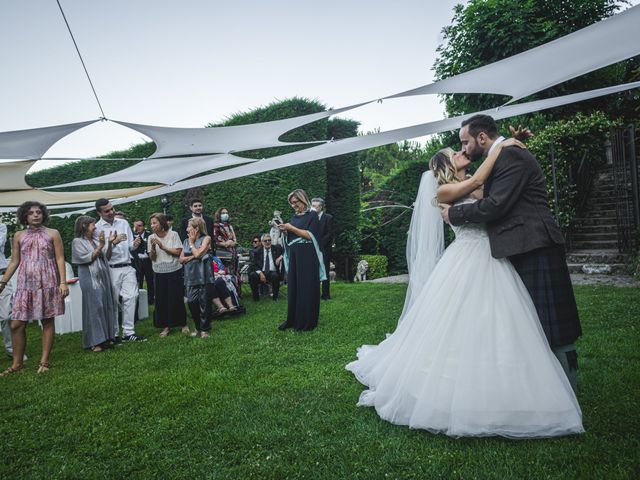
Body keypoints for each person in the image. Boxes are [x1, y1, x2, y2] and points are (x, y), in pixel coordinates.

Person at [346, 137, 584, 438]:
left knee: (501, 321)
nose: (461, 152)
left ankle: (505, 387)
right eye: (455, 152)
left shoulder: (472, 181)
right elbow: (484, 179)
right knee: (460, 321)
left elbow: (497, 196)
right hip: (465, 258)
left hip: (494, 258)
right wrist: (500, 146)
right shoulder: (445, 189)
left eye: (461, 148)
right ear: (446, 165)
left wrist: (513, 149)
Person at [440, 115, 582, 391]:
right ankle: (541, 386)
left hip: (535, 245)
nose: (464, 149)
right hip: (521, 247)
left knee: (552, 323)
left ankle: (567, 390)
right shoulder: (502, 156)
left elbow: (496, 205)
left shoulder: (511, 155)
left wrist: (454, 213)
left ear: (482, 138)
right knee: (529, 321)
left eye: (465, 142)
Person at [0, 202, 68, 375]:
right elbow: (14, 261)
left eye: (38, 212)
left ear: (43, 214)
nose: (36, 215)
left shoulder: (53, 233)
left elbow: (60, 258)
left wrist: (63, 282)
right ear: (25, 216)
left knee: (46, 320)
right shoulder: (18, 235)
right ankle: (17, 364)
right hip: (25, 284)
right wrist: (3, 282)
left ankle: (44, 362)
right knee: (16, 324)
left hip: (48, 282)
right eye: (31, 213)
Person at [94, 198, 146, 342]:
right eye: (107, 211)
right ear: (99, 212)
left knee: (132, 296)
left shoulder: (123, 223)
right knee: (114, 301)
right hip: (111, 269)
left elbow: (130, 246)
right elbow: (103, 254)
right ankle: (115, 333)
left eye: (112, 208)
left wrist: (135, 244)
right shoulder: (97, 228)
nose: (111, 212)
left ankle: (129, 332)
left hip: (128, 265)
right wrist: (113, 243)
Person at [277, 189, 325, 331]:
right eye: (291, 203)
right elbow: (293, 235)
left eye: (296, 202)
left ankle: (306, 321)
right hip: (295, 255)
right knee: (294, 286)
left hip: (308, 255)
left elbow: (311, 236)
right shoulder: (294, 217)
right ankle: (293, 319)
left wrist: (291, 228)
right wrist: (285, 231)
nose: (293, 205)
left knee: (306, 286)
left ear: (303, 199)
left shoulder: (313, 215)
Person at [71, 216, 117, 352]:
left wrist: (110, 244)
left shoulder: (96, 240)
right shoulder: (77, 242)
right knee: (94, 307)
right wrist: (101, 246)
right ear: (84, 226)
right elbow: (86, 258)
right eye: (92, 225)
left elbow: (106, 257)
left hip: (103, 276)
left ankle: (107, 337)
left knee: (106, 304)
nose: (95, 227)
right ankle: (95, 341)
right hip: (89, 278)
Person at [148, 213, 188, 337]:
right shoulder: (151, 238)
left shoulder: (173, 234)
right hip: (159, 271)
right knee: (161, 299)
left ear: (162, 223)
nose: (152, 225)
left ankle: (182, 323)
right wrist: (154, 248)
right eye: (151, 223)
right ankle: (166, 326)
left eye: (154, 223)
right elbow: (152, 258)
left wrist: (162, 246)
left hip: (174, 269)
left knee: (176, 297)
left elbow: (178, 252)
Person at [180, 217, 214, 338]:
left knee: (204, 303)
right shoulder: (184, 241)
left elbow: (199, 254)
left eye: (189, 226)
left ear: (197, 228)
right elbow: (181, 259)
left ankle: (204, 329)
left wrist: (192, 244)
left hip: (204, 275)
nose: (187, 229)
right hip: (190, 276)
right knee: (192, 302)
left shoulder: (206, 239)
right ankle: (198, 326)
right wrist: (193, 256)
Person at [248, 233, 283, 301]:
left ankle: (275, 298)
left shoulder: (277, 248)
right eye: (265, 241)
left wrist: (280, 257)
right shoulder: (257, 251)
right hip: (261, 271)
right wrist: (260, 273)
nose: (267, 242)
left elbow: (287, 251)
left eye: (269, 240)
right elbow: (253, 264)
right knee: (252, 275)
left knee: (275, 276)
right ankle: (256, 298)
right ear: (262, 242)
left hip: (272, 272)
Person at [311, 197, 334, 300]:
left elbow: (329, 234)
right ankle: (313, 294)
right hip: (312, 249)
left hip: (325, 249)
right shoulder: (310, 217)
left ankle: (325, 294)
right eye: (313, 206)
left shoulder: (328, 218)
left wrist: (319, 244)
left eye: (316, 206)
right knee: (313, 271)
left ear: (321, 207)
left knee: (325, 271)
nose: (314, 208)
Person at [131, 219, 154, 305]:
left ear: (144, 226)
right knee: (138, 280)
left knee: (150, 280)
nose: (137, 228)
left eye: (140, 226)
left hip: (148, 261)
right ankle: (139, 301)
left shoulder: (150, 235)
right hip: (137, 261)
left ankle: (151, 299)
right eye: (136, 226)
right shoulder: (132, 236)